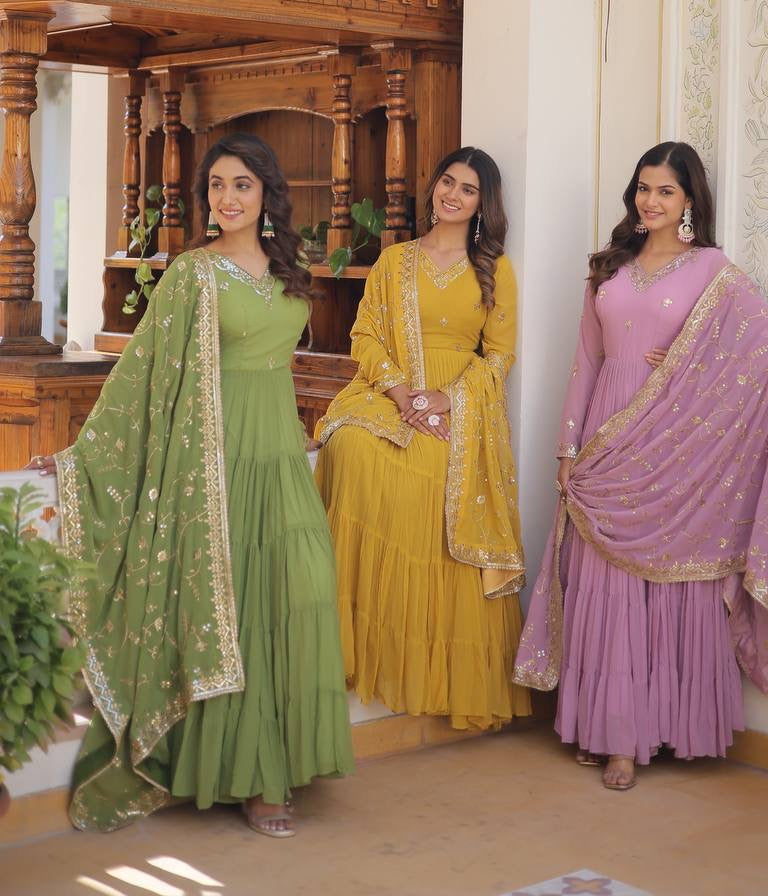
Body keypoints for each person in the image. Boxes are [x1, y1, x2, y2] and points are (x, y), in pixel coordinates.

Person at [27, 133, 353, 834]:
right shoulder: (192, 273)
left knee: (296, 591)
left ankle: (280, 759)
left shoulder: (290, 269)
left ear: (266, 194)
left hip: (278, 454)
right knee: (232, 609)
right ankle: (253, 780)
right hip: (214, 460)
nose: (227, 198)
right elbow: (140, 373)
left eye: (241, 184)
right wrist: (81, 455)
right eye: (216, 186)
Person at [514, 141, 768, 790]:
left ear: (689, 200)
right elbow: (586, 361)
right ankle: (611, 732)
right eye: (643, 188)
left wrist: (691, 368)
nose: (650, 201)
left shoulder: (711, 270)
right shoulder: (609, 268)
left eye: (665, 191)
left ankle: (658, 732)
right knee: (608, 582)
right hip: (607, 437)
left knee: (667, 579)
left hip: (673, 444)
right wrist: (567, 449)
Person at [314, 147, 531, 731]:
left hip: (458, 403)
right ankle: (358, 642)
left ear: (483, 204)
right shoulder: (395, 261)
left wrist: (446, 399)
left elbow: (499, 355)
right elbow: (365, 333)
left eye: (468, 189)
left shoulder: (494, 269)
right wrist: (401, 390)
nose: (452, 195)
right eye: (447, 182)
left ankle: (422, 657)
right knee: (351, 447)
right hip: (393, 391)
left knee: (438, 477)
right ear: (434, 187)